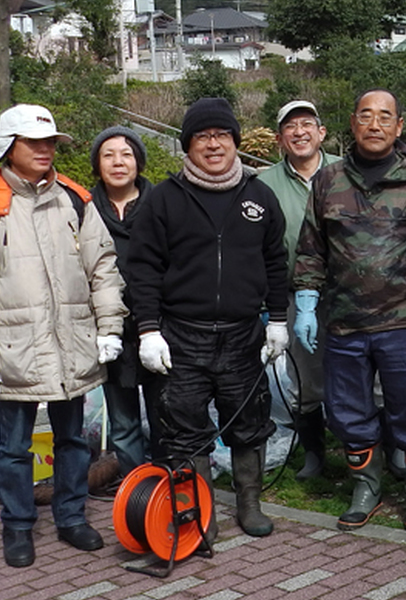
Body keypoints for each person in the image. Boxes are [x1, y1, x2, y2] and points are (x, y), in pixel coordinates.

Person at [294, 88, 406, 533]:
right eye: (365, 115)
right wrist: (306, 302)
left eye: (385, 116)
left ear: (399, 126)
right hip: (345, 321)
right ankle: (366, 483)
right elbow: (311, 249)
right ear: (352, 123)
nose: (375, 124)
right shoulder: (328, 181)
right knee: (349, 410)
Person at [127, 97, 289, 539]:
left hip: (242, 335)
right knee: (184, 428)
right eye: (203, 136)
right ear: (188, 145)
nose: (213, 145)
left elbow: (276, 262)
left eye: (222, 135)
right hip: (181, 336)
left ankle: (250, 503)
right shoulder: (163, 199)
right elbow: (141, 269)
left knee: (248, 422)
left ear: (235, 142)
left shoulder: (259, 196)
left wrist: (278, 320)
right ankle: (198, 510)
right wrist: (147, 330)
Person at [0, 104, 127, 567]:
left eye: (50, 141)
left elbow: (103, 268)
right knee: (13, 447)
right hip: (12, 349)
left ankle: (72, 516)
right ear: (8, 146)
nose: (45, 149)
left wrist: (109, 327)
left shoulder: (75, 199)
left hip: (72, 343)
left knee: (73, 440)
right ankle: (16, 525)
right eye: (34, 142)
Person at [258, 100, 341, 481]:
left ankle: (366, 450)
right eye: (290, 126)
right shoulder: (263, 184)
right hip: (295, 295)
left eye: (307, 123)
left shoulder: (346, 171)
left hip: (350, 294)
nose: (299, 132)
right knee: (306, 378)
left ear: (322, 132)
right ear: (279, 138)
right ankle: (315, 453)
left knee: (362, 373)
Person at [87, 126, 166, 493]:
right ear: (97, 164)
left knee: (165, 413)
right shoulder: (84, 208)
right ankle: (136, 490)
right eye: (108, 155)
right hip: (109, 331)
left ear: (139, 161)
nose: (118, 162)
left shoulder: (163, 203)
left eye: (127, 154)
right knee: (123, 419)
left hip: (160, 328)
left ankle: (169, 485)